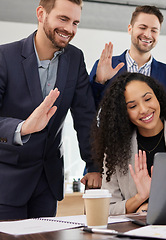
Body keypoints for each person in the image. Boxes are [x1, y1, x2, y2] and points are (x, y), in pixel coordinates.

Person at [0, 0, 102, 220]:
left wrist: (93, 165)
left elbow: (85, 116)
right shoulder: (4, 57)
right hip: (7, 183)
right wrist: (23, 127)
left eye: (75, 22)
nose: (70, 29)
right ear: (41, 13)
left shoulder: (75, 58)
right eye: (63, 19)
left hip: (48, 183)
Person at [91, 72, 166, 215]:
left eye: (148, 99)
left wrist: (151, 208)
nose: (144, 110)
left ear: (157, 97)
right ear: (123, 113)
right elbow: (107, 208)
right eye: (132, 106)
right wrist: (140, 198)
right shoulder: (115, 147)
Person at [89, 5, 166, 108]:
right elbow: (87, 108)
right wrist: (99, 82)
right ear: (130, 29)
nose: (148, 35)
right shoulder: (106, 66)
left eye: (154, 30)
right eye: (142, 27)